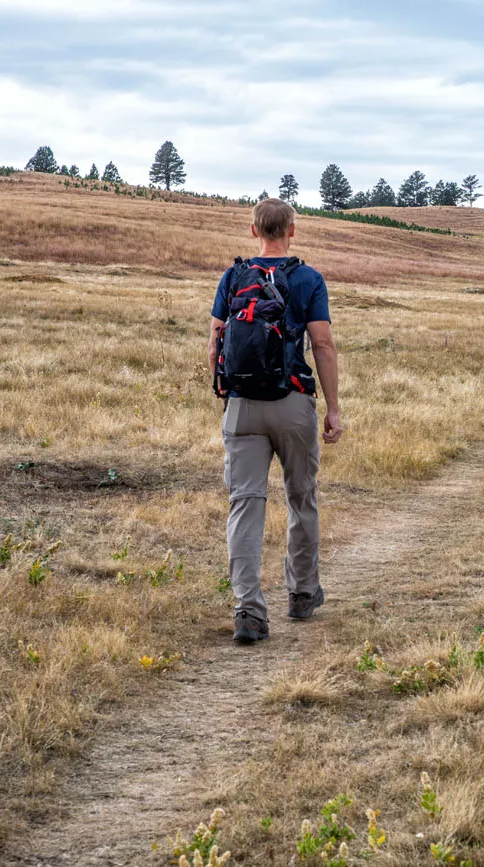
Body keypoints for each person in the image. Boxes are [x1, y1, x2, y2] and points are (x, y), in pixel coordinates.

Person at [207, 198, 344, 643]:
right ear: (292, 231)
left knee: (245, 504)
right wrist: (333, 407)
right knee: (301, 497)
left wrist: (225, 391)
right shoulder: (307, 278)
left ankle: (249, 610)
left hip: (242, 404)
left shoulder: (233, 277)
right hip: (293, 403)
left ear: (253, 232)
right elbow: (322, 345)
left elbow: (215, 342)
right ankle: (302, 593)